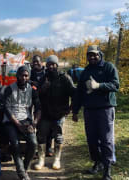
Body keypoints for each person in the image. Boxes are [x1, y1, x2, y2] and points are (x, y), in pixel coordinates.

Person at [72, 45, 119, 180]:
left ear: (100, 54)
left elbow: (115, 85)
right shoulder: (85, 71)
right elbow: (79, 93)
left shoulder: (108, 67)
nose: (92, 57)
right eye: (89, 55)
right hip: (90, 111)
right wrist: (75, 111)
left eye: (95, 54)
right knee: (92, 140)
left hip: (105, 109)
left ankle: (107, 169)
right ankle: (97, 163)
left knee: (106, 140)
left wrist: (99, 86)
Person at [35, 55, 75, 171]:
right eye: (48, 64)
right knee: (41, 136)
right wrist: (43, 88)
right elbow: (36, 96)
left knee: (58, 137)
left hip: (59, 114)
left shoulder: (65, 78)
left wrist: (71, 108)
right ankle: (41, 160)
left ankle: (57, 159)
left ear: (57, 65)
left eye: (53, 64)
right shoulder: (43, 78)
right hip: (45, 114)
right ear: (46, 66)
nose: (51, 66)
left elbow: (74, 93)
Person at [3, 65, 41, 180]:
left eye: (26, 75)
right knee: (15, 144)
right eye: (21, 75)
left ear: (29, 76)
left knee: (33, 143)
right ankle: (22, 173)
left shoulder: (32, 90)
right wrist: (18, 124)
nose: (24, 78)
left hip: (26, 120)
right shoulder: (9, 89)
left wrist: (34, 123)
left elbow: (38, 108)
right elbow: (7, 109)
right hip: (11, 120)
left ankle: (23, 168)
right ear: (17, 76)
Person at [30, 55, 53, 157]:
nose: (35, 63)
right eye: (34, 62)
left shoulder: (47, 72)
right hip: (34, 102)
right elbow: (25, 80)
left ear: (41, 62)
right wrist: (31, 82)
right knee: (36, 125)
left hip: (47, 102)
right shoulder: (30, 73)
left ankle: (48, 148)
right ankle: (37, 149)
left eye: (37, 61)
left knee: (49, 126)